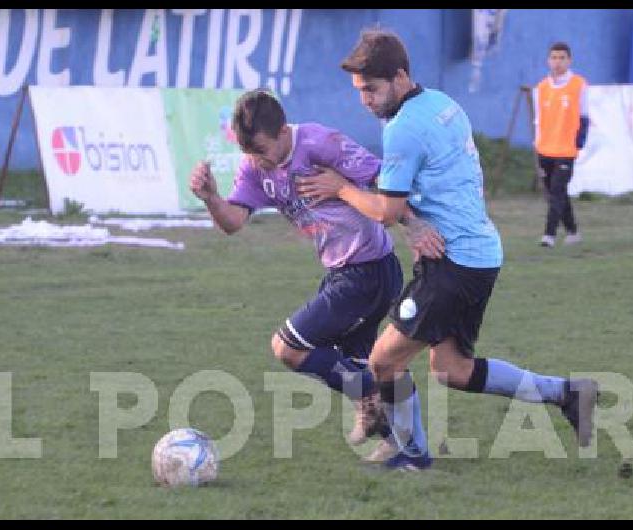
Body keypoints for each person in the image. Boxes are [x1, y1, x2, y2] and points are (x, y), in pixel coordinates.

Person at [297, 29, 599, 471]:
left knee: (383, 361)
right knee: (452, 369)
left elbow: (385, 210)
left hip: (453, 263)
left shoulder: (404, 129)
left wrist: (340, 188)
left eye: (371, 89)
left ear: (399, 77)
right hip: (479, 254)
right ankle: (568, 393)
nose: (364, 99)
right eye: (359, 90)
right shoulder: (442, 104)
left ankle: (412, 454)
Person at [189, 89, 413, 454]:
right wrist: (211, 198)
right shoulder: (254, 169)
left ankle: (371, 395)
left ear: (281, 132)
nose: (255, 160)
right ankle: (395, 434)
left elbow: (385, 181)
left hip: (369, 271)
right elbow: (232, 222)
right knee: (363, 361)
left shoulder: (320, 143)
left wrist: (344, 189)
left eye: (261, 150)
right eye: (248, 152)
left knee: (289, 347)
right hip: (343, 273)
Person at [533, 41, 589, 248]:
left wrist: (579, 143)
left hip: (566, 150)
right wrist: (537, 145)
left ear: (569, 60)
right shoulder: (541, 88)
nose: (557, 62)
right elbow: (538, 120)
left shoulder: (578, 85)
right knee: (556, 194)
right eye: (554, 58)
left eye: (562, 58)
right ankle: (573, 232)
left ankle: (549, 235)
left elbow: (584, 116)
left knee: (557, 191)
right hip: (545, 149)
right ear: (549, 60)